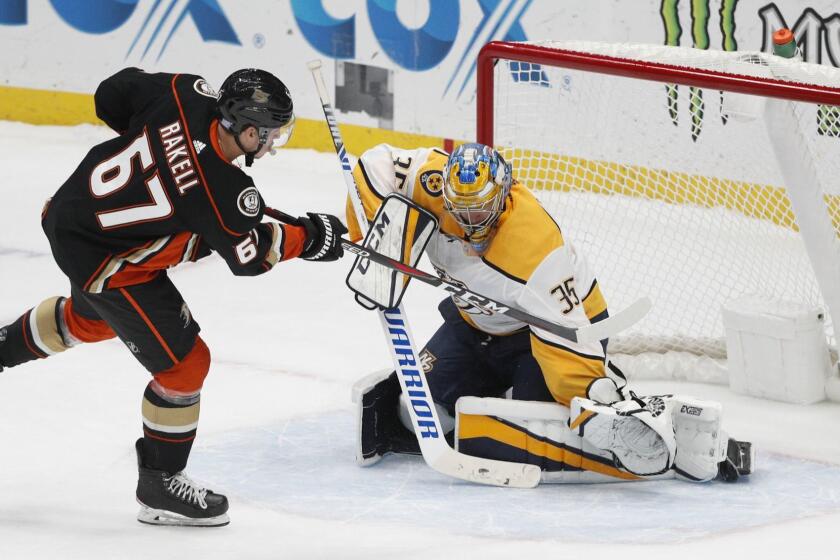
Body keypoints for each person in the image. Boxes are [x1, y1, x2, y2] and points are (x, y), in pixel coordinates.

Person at [0, 67, 347, 526]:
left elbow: (111, 94)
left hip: (72, 213)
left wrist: (159, 152)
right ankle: (160, 482)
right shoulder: (226, 192)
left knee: (96, 320)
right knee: (186, 364)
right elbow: (248, 255)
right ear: (246, 131)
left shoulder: (186, 91)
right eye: (269, 134)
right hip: (108, 262)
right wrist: (310, 240)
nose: (271, 143)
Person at [349, 143, 752, 483]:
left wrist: (587, 397)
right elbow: (371, 166)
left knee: (531, 431)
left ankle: (625, 404)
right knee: (416, 414)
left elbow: (565, 329)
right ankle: (510, 391)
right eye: (461, 211)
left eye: (480, 211)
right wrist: (377, 234)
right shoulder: (429, 181)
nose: (471, 224)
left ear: (503, 193)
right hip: (475, 324)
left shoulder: (535, 247)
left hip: (549, 335)